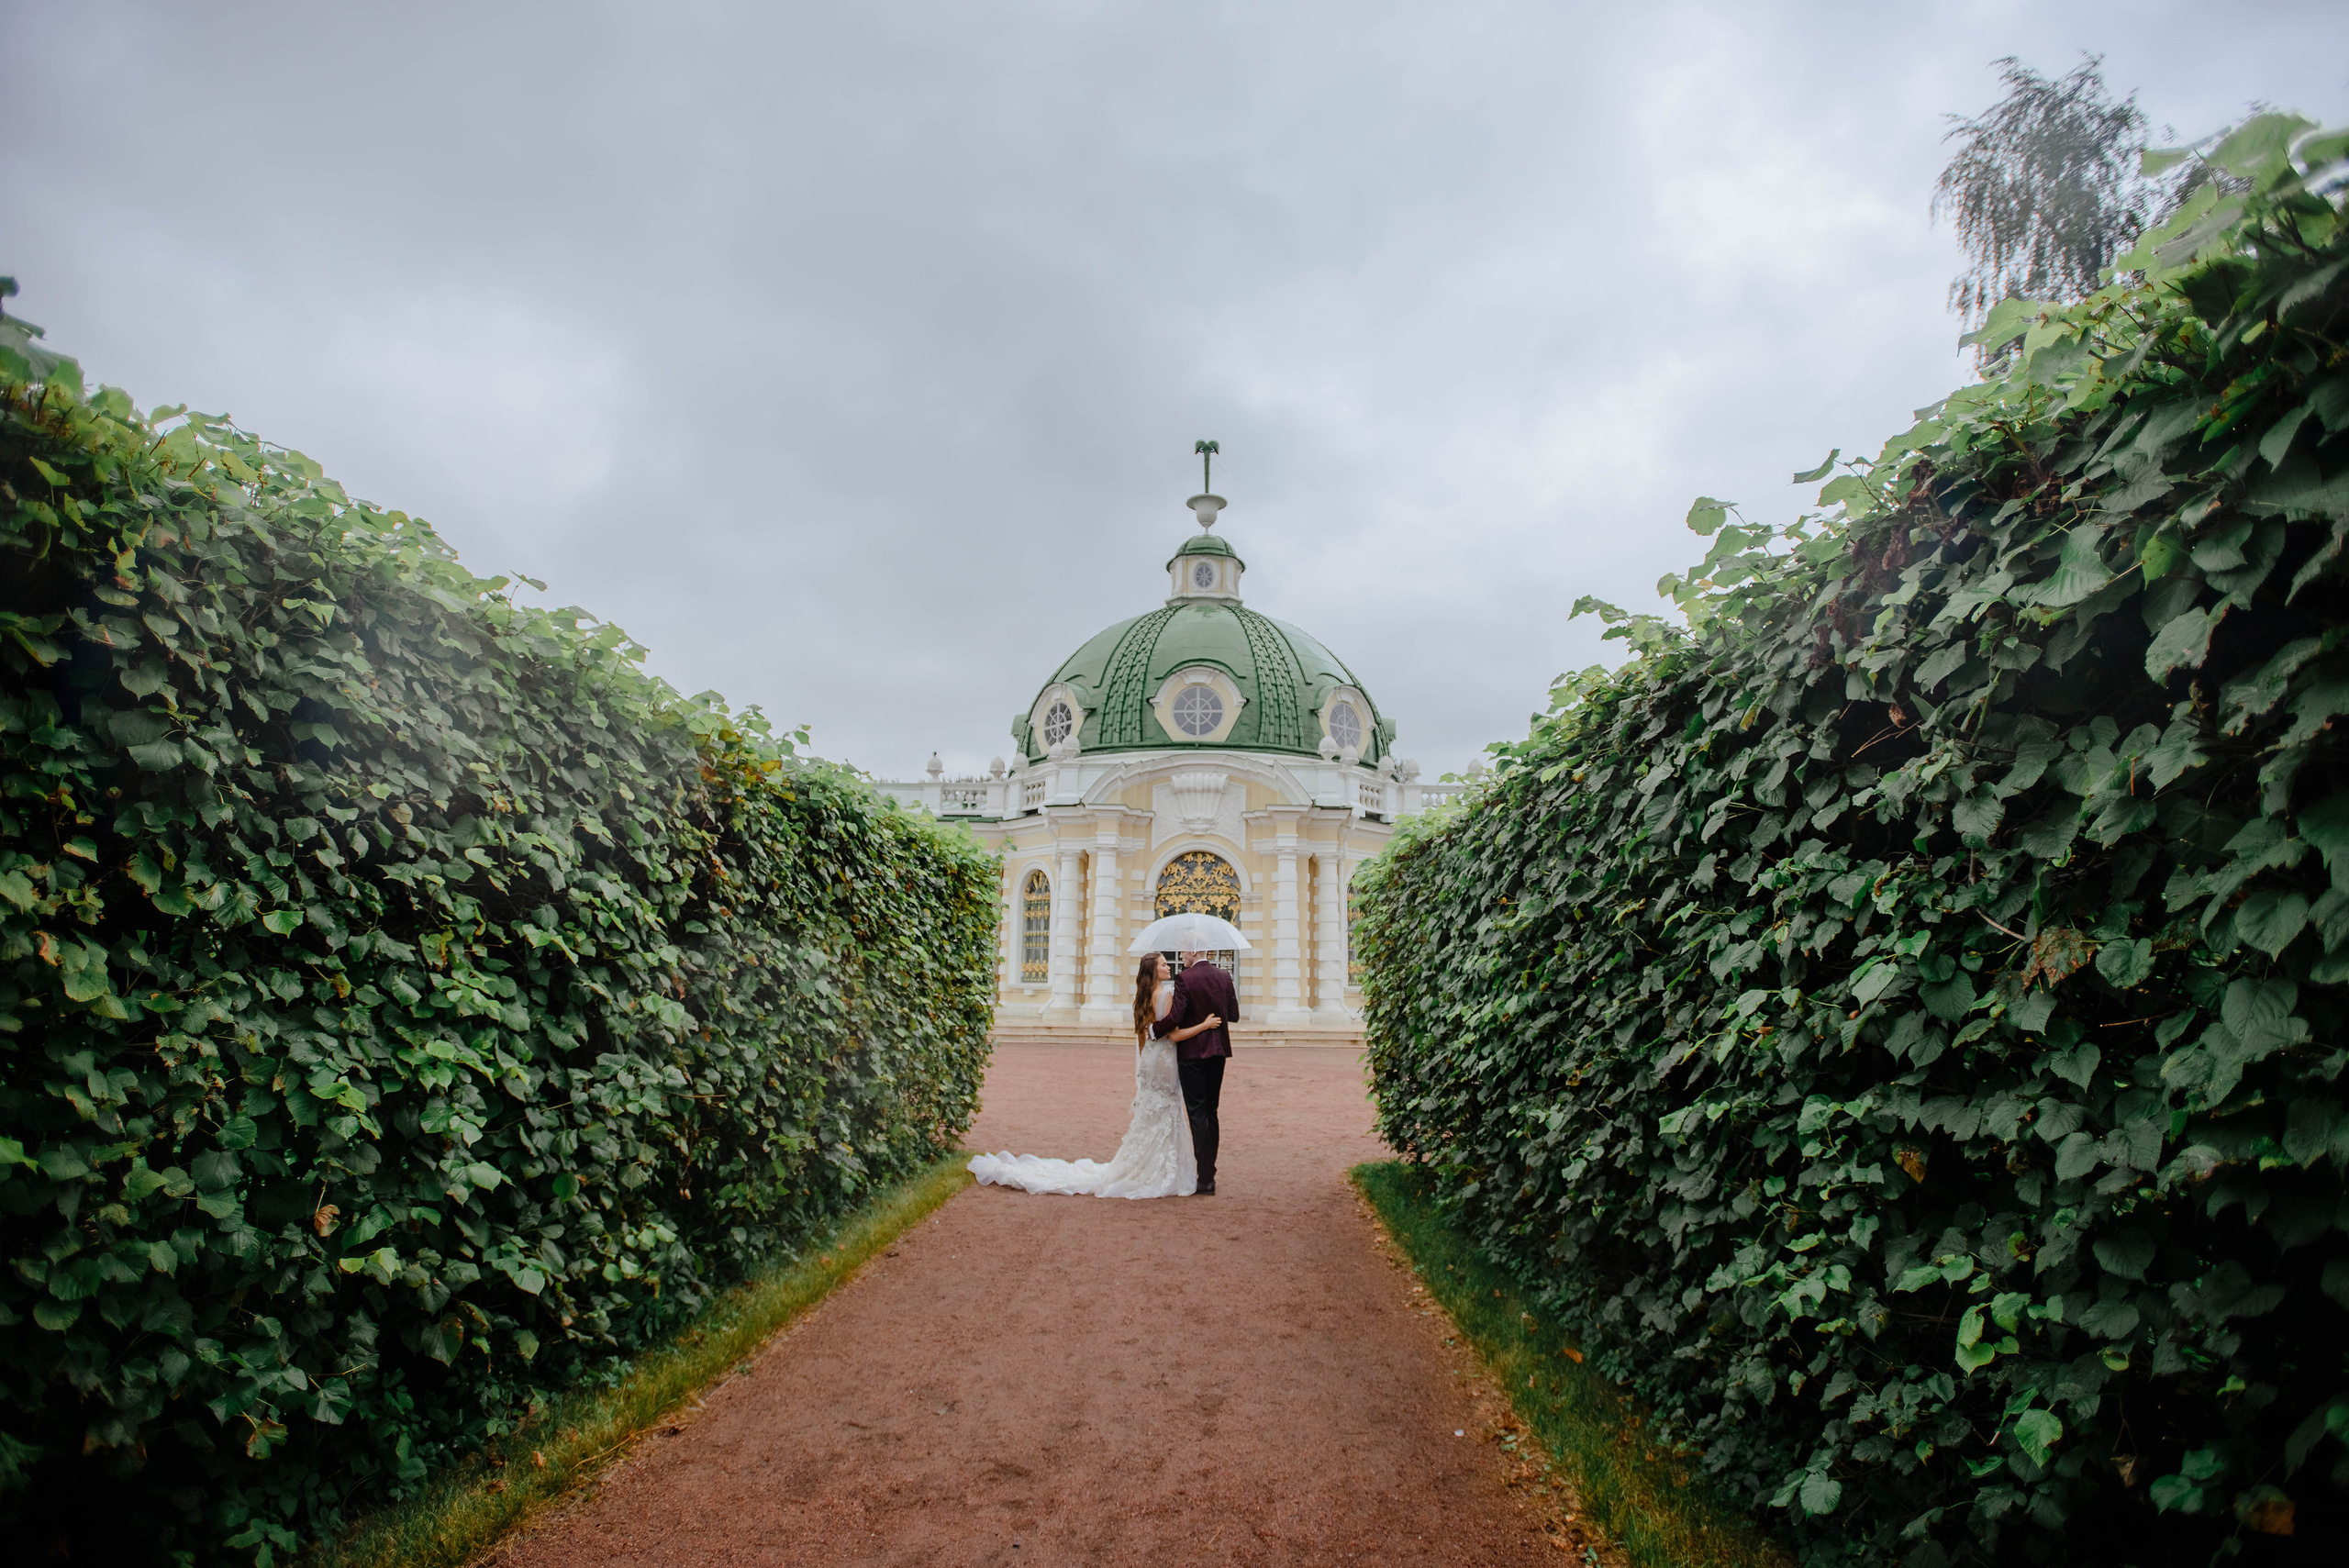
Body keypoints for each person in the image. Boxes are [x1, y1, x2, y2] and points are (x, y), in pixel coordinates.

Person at [966, 952, 1211, 1198]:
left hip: (1150, 1059)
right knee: (1167, 1112)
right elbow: (1174, 1035)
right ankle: (1160, 1171)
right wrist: (1203, 1025)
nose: (1168, 968)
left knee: (1151, 1114)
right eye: (1163, 965)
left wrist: (1143, 1067)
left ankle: (1148, 1166)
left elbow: (1142, 1038)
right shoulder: (1166, 996)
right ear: (1153, 970)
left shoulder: (1141, 997)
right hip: (1165, 1061)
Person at [1152, 948, 1238, 1195]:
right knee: (1212, 1112)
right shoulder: (1224, 977)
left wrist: (1153, 1031)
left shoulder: (1184, 978)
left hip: (1192, 1055)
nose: (1180, 954)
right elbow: (1233, 1015)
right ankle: (1208, 1175)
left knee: (1197, 1113)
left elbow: (1176, 1015)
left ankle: (1205, 1178)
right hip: (1219, 1052)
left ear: (1192, 951)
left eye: (1183, 951)